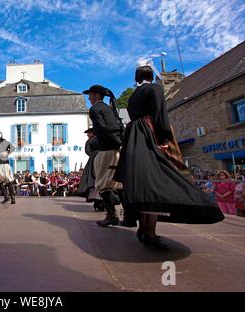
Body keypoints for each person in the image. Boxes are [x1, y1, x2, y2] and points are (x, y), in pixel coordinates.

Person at [114, 61, 224, 250]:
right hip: (150, 133)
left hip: (134, 138)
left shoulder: (132, 98)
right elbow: (160, 114)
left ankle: (144, 229)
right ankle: (150, 233)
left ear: (137, 79)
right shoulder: (155, 89)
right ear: (150, 77)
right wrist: (164, 137)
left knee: (145, 184)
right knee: (159, 180)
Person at [83, 85, 123, 226]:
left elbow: (102, 129)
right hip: (116, 147)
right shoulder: (109, 108)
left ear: (97, 95)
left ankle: (111, 215)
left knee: (102, 183)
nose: (89, 98)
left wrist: (110, 143)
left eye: (91, 95)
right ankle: (128, 214)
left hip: (106, 149)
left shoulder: (95, 109)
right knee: (118, 184)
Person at [78, 128, 103, 211]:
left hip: (93, 159)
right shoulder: (101, 138)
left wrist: (93, 155)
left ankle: (97, 201)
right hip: (103, 158)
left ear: (92, 133)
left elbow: (87, 151)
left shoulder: (89, 141)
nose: (87, 135)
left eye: (88, 133)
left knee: (92, 179)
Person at [0, 129, 16, 204]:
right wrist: (7, 153)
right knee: (9, 180)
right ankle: (12, 197)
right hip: (5, 163)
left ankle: (6, 196)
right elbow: (13, 148)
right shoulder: (3, 141)